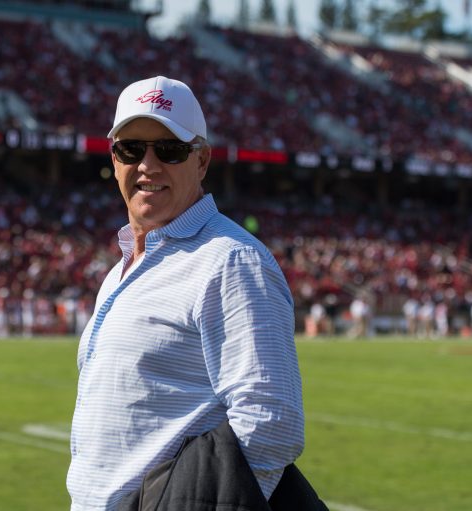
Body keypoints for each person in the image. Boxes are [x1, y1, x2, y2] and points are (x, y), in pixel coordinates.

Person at [67, 76, 305, 510]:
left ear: (202, 160)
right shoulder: (123, 267)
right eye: (131, 148)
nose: (148, 165)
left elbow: (271, 424)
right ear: (114, 157)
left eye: (170, 149)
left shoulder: (232, 261)